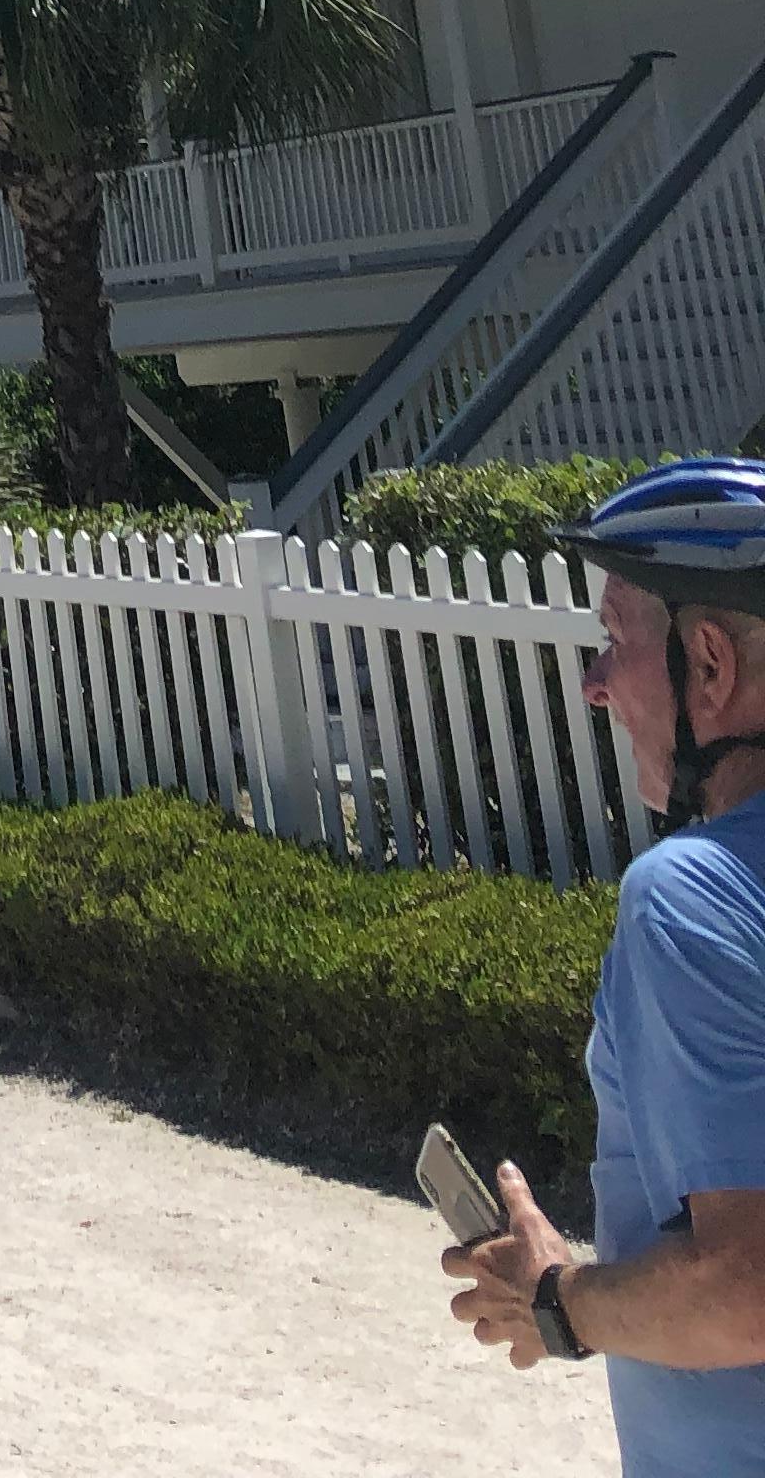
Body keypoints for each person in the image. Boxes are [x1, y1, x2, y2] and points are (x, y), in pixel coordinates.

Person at [442, 457, 765, 1469]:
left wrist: (556, 1301)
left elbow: (744, 1292)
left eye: (615, 638)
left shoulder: (695, 894)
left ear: (707, 665)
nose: (593, 682)